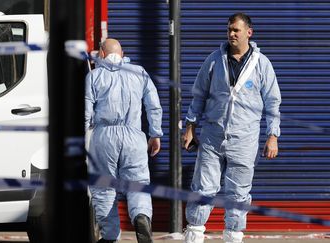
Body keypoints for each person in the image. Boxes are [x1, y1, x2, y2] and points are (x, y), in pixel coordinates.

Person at [182, 13, 281, 243]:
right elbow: (199, 95)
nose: (231, 34)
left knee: (238, 193)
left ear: (249, 32)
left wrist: (273, 135)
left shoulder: (262, 64)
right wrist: (190, 126)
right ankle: (194, 236)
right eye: (229, 30)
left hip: (244, 140)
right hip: (212, 137)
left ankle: (233, 238)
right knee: (203, 188)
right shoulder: (215, 60)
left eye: (236, 30)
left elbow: (273, 102)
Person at [85, 38, 163, 243]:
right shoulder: (139, 72)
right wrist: (155, 134)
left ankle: (110, 236)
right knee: (138, 183)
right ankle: (141, 216)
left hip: (104, 137)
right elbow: (153, 105)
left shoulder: (94, 76)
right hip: (134, 136)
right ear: (123, 53)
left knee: (103, 187)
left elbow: (85, 113)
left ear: (101, 54)